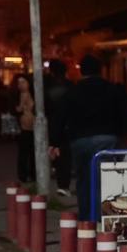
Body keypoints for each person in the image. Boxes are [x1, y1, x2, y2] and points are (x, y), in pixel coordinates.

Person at [53, 56, 127, 203]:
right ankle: (104, 213)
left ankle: (86, 218)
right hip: (107, 139)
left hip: (80, 140)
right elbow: (126, 111)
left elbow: (60, 116)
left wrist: (55, 142)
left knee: (83, 178)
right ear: (100, 71)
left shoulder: (73, 91)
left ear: (82, 72)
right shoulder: (112, 89)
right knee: (105, 177)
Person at [43, 60, 73, 194]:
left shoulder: (46, 86)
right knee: (65, 153)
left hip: (51, 122)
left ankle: (55, 173)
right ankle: (63, 184)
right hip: (68, 124)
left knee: (55, 150)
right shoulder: (70, 86)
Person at [13, 75, 36, 185]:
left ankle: (33, 174)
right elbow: (17, 109)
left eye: (23, 82)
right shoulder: (19, 95)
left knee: (32, 152)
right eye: (19, 83)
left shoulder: (32, 94)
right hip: (24, 127)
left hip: (34, 126)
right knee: (24, 152)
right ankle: (23, 175)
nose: (21, 85)